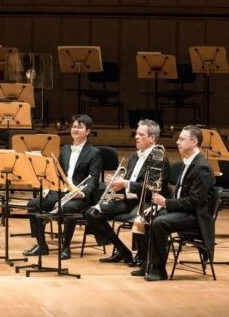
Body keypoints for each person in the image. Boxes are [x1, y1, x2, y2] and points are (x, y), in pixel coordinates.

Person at [85, 119, 170, 266]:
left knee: (138, 218)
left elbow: (153, 189)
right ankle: (123, 252)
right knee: (92, 213)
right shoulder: (134, 156)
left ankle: (143, 257)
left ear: (152, 138)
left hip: (147, 202)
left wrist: (125, 183)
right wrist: (117, 183)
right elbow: (130, 182)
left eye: (141, 134)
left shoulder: (159, 159)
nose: (136, 137)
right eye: (136, 133)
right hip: (129, 201)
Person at [24, 114, 101, 259]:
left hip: (79, 194)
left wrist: (82, 193)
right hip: (60, 190)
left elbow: (94, 180)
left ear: (88, 131)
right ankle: (41, 245)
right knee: (33, 204)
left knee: (68, 208)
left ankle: (65, 247)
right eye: (73, 126)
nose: (75, 129)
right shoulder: (65, 149)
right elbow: (56, 172)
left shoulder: (94, 153)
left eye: (80, 127)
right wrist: (48, 187)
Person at [145, 125, 215, 281]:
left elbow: (194, 202)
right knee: (150, 216)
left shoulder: (202, 167)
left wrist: (166, 203)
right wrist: (161, 206)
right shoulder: (189, 162)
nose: (177, 142)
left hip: (196, 217)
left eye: (182, 139)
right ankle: (147, 264)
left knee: (160, 223)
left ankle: (159, 270)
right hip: (185, 212)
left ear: (194, 141)